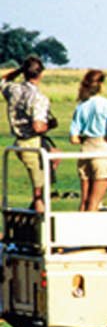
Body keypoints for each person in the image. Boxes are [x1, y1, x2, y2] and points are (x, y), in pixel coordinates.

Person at [1, 55, 55, 213]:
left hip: (19, 142)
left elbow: (3, 80)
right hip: (32, 142)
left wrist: (19, 70)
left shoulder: (14, 89)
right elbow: (38, 127)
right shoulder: (39, 98)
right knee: (38, 190)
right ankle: (40, 226)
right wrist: (49, 125)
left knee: (55, 156)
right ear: (40, 74)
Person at [69, 69, 107, 212]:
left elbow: (73, 138)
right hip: (103, 151)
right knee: (94, 201)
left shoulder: (80, 106)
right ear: (101, 85)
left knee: (84, 200)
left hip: (85, 151)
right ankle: (88, 232)